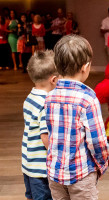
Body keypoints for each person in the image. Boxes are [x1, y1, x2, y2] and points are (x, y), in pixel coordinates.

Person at [45, 35, 109, 199]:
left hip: (54, 172)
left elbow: (51, 133)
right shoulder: (88, 99)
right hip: (81, 173)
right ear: (85, 67)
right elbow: (97, 141)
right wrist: (102, 163)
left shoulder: (49, 97)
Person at [22, 50, 58, 200]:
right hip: (41, 169)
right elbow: (45, 137)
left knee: (32, 196)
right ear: (54, 80)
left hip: (28, 163)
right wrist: (58, 155)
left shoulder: (30, 98)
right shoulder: (46, 104)